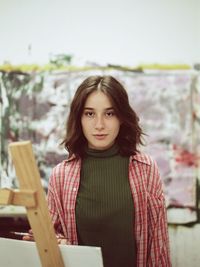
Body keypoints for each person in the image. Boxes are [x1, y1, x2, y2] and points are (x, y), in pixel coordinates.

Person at [26, 75, 171, 266]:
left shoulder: (146, 169)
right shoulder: (61, 175)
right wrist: (52, 240)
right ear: (79, 119)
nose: (99, 125)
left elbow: (158, 245)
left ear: (121, 118)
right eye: (90, 114)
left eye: (109, 113)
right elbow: (52, 233)